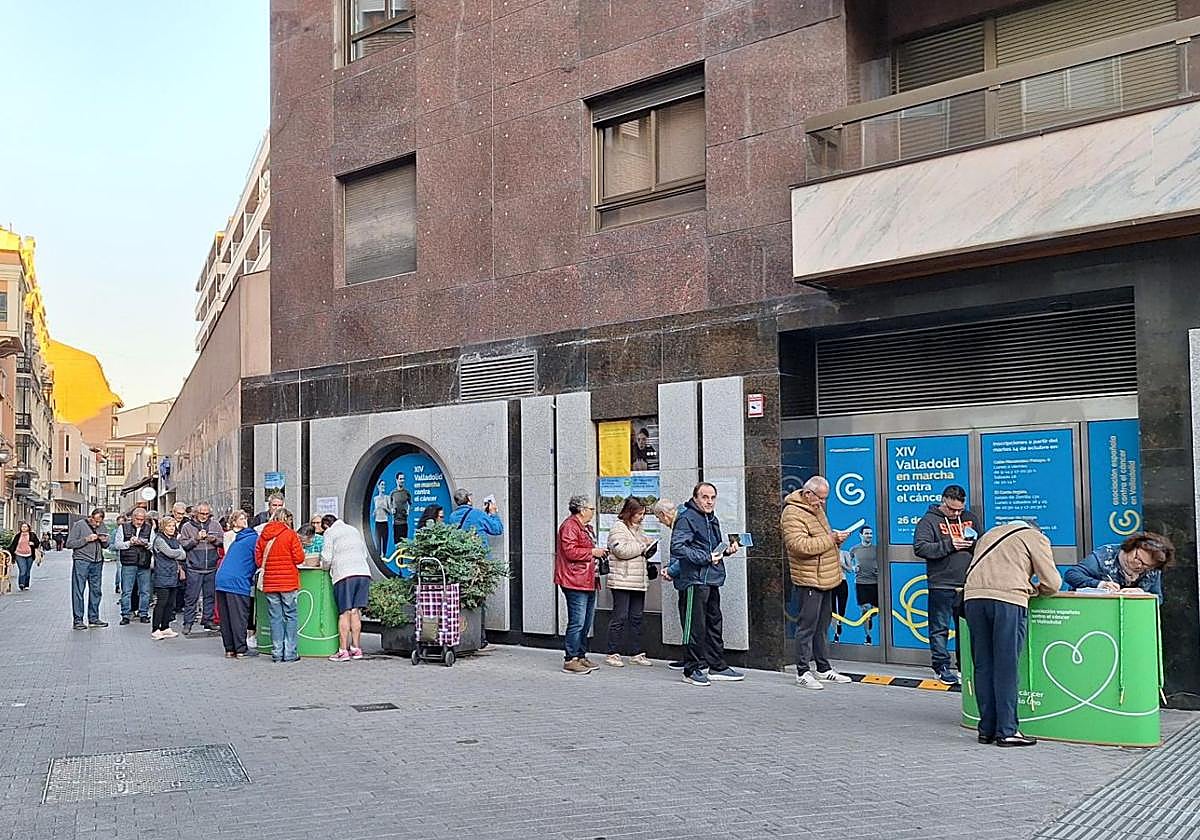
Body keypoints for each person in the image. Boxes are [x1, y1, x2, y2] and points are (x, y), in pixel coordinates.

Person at [963, 519, 1061, 748]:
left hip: (974, 600)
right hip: (1007, 601)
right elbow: (1052, 582)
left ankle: (986, 730)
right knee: (1005, 666)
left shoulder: (989, 535)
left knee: (983, 665)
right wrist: (1036, 590)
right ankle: (1007, 731)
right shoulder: (1033, 536)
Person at [663, 482, 743, 687]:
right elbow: (678, 548)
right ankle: (692, 669)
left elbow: (712, 549)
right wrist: (706, 557)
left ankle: (716, 665)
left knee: (714, 623)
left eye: (712, 497)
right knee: (695, 627)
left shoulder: (711, 518)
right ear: (696, 498)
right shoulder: (687, 518)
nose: (709, 501)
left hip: (711, 578)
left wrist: (725, 551)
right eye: (705, 497)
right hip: (694, 580)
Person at [781, 476, 852, 690]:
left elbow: (823, 539)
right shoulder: (792, 512)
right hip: (809, 578)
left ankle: (823, 667)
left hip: (827, 576)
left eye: (824, 499)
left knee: (822, 625)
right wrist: (831, 539)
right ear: (807, 493)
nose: (821, 503)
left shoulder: (816, 509)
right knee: (807, 626)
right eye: (819, 498)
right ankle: (803, 671)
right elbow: (799, 546)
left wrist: (836, 539)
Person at [913, 485, 981, 685]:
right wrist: (951, 544)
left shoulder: (971, 517)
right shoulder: (928, 521)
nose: (956, 514)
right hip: (941, 582)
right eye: (952, 510)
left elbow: (983, 542)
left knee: (967, 628)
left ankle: (965, 666)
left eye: (960, 510)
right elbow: (920, 547)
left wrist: (972, 544)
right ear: (943, 502)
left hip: (968, 583)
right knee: (939, 627)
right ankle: (941, 666)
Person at [555, 495, 606, 674]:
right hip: (574, 580)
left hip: (588, 579)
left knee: (586, 621)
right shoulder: (569, 526)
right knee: (577, 621)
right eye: (591, 508)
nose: (593, 511)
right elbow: (570, 552)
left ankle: (581, 655)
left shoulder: (586, 527)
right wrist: (593, 552)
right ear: (582, 509)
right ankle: (570, 659)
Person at [448, 488, 504, 648]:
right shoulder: (477, 514)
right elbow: (497, 529)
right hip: (478, 564)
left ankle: (463, 633)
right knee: (479, 598)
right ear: (469, 499)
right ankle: (480, 636)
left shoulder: (452, 517)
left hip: (460, 563)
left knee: (463, 598)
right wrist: (493, 513)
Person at [604, 496, 657, 668]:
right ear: (629, 512)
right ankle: (612, 653)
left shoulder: (638, 529)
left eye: (643, 514)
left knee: (637, 618)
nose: (641, 517)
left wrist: (648, 545)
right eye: (638, 514)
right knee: (620, 617)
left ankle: (637, 652)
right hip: (622, 580)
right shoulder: (618, 528)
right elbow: (621, 550)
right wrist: (642, 546)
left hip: (638, 580)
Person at [255, 507, 306, 663]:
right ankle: (290, 653)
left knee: (275, 617)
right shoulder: (290, 534)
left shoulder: (263, 535)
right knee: (290, 616)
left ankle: (277, 653)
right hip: (288, 582)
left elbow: (258, 560)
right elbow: (299, 558)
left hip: (270, 583)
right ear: (287, 519)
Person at [320, 514, 374, 661]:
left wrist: (323, 567)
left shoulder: (330, 532)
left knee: (344, 612)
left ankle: (343, 651)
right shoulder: (353, 530)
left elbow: (326, 558)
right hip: (363, 573)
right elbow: (364, 553)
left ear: (326, 525)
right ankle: (356, 649)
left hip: (345, 574)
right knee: (355, 611)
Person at [1063, 532, 1174, 601]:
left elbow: (1158, 598)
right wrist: (1100, 585)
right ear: (1132, 547)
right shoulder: (1105, 555)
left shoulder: (1153, 570)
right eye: (1137, 557)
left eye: (1145, 565)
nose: (1138, 565)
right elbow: (1071, 575)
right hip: (1092, 609)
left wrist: (1142, 594)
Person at [214, 510, 258, 658]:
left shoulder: (238, 540)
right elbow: (259, 560)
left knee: (226, 617)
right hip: (237, 581)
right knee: (238, 616)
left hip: (221, 578)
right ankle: (241, 650)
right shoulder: (255, 540)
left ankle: (229, 649)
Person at [179, 503, 225, 634]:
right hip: (194, 566)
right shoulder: (187, 527)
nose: (204, 516)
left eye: (207, 514)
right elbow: (184, 545)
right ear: (195, 513)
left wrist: (213, 539)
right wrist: (196, 539)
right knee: (191, 597)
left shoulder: (215, 525)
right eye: (202, 513)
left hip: (211, 565)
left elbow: (222, 542)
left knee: (209, 596)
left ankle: (208, 620)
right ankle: (188, 622)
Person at [67, 508, 110, 630]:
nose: (97, 524)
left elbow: (106, 545)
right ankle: (78, 620)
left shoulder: (102, 526)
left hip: (97, 562)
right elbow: (69, 543)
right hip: (81, 561)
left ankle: (94, 618)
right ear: (91, 517)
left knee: (96, 591)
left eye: (99, 522)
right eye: (95, 521)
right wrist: (86, 539)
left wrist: (104, 541)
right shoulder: (79, 525)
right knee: (78, 590)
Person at [114, 508, 155, 625]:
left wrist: (145, 544)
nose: (139, 522)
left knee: (145, 591)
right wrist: (129, 543)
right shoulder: (123, 527)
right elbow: (117, 544)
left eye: (142, 519)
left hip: (144, 562)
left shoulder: (149, 528)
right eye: (137, 519)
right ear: (132, 518)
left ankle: (143, 614)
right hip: (128, 563)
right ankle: (125, 615)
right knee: (126, 590)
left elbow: (154, 544)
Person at [150, 518, 187, 639]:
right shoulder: (159, 540)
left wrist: (176, 552)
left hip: (173, 575)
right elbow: (170, 553)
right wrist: (177, 552)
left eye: (173, 526)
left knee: (170, 603)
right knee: (161, 603)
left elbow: (183, 555)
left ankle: (165, 627)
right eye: (169, 526)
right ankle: (155, 629)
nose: (172, 528)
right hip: (162, 574)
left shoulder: (174, 539)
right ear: (163, 527)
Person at [851, 526, 878, 645]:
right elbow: (847, 562)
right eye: (867, 533)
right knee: (865, 609)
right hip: (861, 583)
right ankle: (868, 636)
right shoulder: (854, 549)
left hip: (876, 583)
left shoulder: (877, 549)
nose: (869, 535)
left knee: (875, 610)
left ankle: (870, 618)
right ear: (861, 535)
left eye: (871, 533)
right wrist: (852, 568)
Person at [8, 521, 39, 592]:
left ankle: (26, 585)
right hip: (19, 554)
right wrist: (11, 553)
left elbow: (37, 543)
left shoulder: (32, 535)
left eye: (25, 527)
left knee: (28, 571)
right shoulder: (18, 536)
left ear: (28, 528)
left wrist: (33, 543)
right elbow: (13, 545)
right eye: (22, 527)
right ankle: (21, 584)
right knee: (23, 570)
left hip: (30, 555)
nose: (24, 528)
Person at [832, 548, 852, 643]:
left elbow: (850, 569)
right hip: (830, 582)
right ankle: (835, 633)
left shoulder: (845, 553)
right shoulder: (827, 554)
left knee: (841, 608)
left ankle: (839, 623)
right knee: (832, 610)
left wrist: (841, 564)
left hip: (842, 582)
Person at [371, 480, 392, 554]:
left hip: (384, 522)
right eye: (382, 484)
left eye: (384, 485)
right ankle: (379, 557)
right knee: (378, 542)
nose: (383, 486)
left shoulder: (387, 498)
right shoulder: (375, 498)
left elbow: (390, 512)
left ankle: (384, 557)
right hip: (377, 522)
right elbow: (373, 513)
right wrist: (375, 511)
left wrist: (384, 507)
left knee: (385, 542)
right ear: (378, 486)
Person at [390, 472, 411, 547]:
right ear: (396, 480)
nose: (402, 480)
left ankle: (402, 559)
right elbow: (390, 504)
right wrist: (392, 509)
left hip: (404, 522)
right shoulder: (393, 493)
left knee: (404, 545)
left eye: (403, 479)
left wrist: (408, 510)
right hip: (396, 523)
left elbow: (410, 504)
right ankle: (398, 559)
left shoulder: (406, 493)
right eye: (400, 479)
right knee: (397, 545)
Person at [112, 514, 127, 595]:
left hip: (129, 556)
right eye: (118, 524)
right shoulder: (115, 532)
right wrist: (118, 546)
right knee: (120, 571)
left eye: (122, 524)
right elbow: (111, 545)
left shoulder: (129, 530)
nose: (120, 526)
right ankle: (119, 587)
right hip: (120, 555)